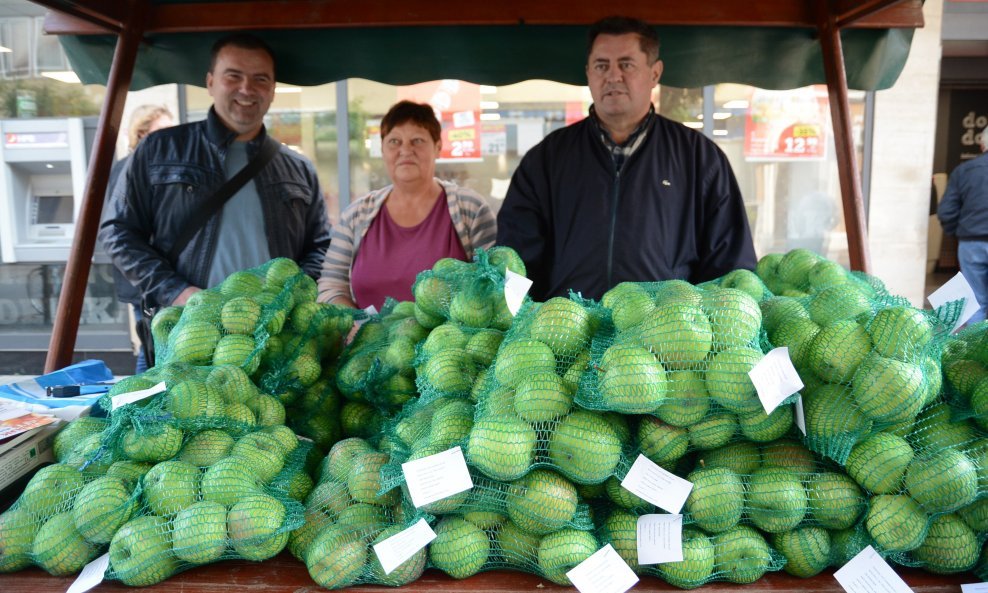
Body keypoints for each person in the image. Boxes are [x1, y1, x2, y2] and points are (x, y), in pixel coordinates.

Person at [496, 16, 757, 301]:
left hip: (668, 336)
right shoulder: (546, 160)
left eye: (626, 64)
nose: (613, 76)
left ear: (655, 73)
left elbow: (730, 267)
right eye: (601, 65)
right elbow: (517, 259)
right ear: (588, 73)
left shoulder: (700, 159)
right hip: (567, 334)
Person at [100, 33, 331, 317]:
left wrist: (291, 295)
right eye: (233, 76)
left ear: (272, 90)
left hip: (275, 331)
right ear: (210, 82)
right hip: (186, 330)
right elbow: (118, 232)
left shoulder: (299, 168)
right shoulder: (159, 149)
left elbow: (320, 247)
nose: (247, 89)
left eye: (260, 79)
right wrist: (176, 292)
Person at [317, 100, 496, 310]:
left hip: (450, 342)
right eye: (394, 141)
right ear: (382, 150)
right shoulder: (357, 215)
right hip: (364, 342)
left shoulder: (471, 210)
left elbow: (494, 284)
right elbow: (331, 285)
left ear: (438, 147)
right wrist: (352, 325)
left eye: (417, 140)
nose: (405, 150)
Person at [101, 104, 175, 373]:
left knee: (155, 345)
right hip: (146, 282)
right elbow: (122, 234)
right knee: (152, 346)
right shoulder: (131, 169)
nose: (173, 137)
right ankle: (140, 405)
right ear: (143, 133)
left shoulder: (151, 167)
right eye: (164, 130)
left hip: (153, 280)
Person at [938, 125, 988, 323]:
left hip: (971, 244)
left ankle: (974, 352)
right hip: (969, 239)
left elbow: (946, 211)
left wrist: (959, 235)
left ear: (982, 144)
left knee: (975, 302)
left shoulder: (964, 171)